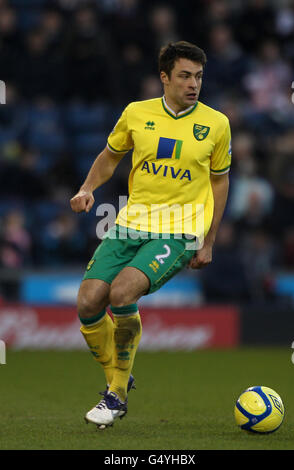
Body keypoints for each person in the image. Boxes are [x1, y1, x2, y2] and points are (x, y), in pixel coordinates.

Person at [70, 41, 231, 429]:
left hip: (180, 229)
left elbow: (220, 183)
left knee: (122, 292)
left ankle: (117, 394)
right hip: (130, 222)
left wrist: (207, 241)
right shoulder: (136, 113)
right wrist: (87, 188)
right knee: (89, 302)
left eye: (199, 76)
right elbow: (110, 156)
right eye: (185, 76)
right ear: (164, 77)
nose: (194, 84)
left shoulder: (217, 123)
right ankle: (117, 376)